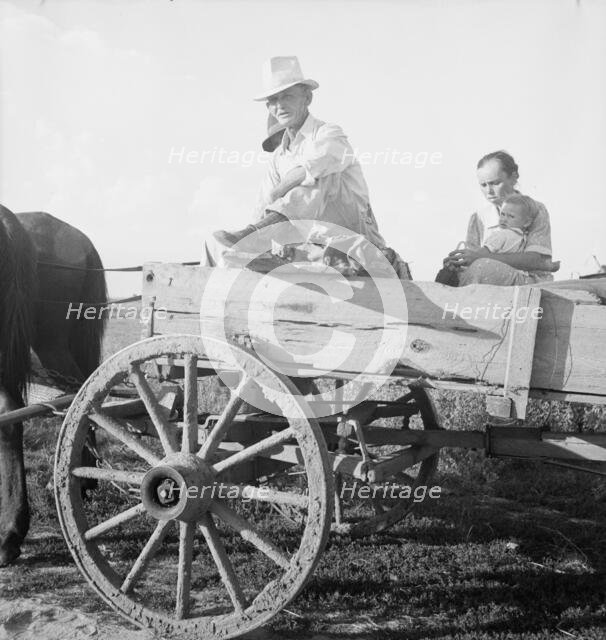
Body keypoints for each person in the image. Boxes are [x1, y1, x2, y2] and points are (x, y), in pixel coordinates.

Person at [208, 56, 399, 274]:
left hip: (352, 238)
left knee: (319, 176)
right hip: (312, 244)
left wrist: (280, 191)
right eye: (273, 100)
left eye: (287, 96)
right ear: (268, 106)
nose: (280, 105)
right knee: (223, 246)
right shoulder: (278, 157)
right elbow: (262, 205)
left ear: (307, 98)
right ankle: (255, 241)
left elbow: (316, 165)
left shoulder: (329, 133)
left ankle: (258, 236)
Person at [443, 150, 557, 286]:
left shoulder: (535, 209)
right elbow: (471, 261)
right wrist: (458, 263)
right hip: (489, 280)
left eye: (495, 183)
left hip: (529, 282)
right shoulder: (478, 218)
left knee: (482, 267)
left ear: (514, 177)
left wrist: (481, 257)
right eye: (483, 185)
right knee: (448, 275)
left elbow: (536, 260)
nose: (489, 191)